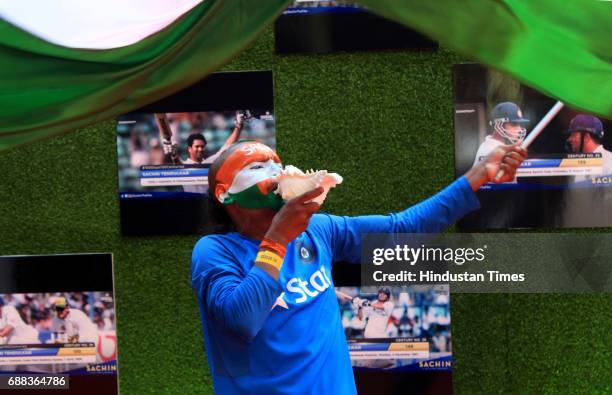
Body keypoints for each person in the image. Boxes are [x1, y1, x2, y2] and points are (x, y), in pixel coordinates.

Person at [191, 140, 526, 395]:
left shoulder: (317, 230)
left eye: (275, 162)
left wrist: (477, 175)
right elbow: (243, 320)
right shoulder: (214, 252)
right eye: (257, 166)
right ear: (225, 194)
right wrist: (278, 237)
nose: (275, 171)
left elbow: (400, 230)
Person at [179, 113, 244, 194]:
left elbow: (226, 147)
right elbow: (176, 161)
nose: (200, 149)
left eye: (202, 146)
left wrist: (238, 126)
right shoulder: (184, 165)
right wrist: (173, 152)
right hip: (192, 205)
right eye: (197, 146)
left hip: (208, 204)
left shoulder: (208, 163)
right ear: (189, 149)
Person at [473, 101, 530, 167]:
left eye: (520, 124)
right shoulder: (490, 150)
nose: (519, 129)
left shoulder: (496, 146)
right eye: (514, 124)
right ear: (498, 125)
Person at [563, 114, 612, 182]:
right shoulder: (580, 164)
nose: (569, 139)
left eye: (573, 135)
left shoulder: (608, 162)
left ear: (586, 137)